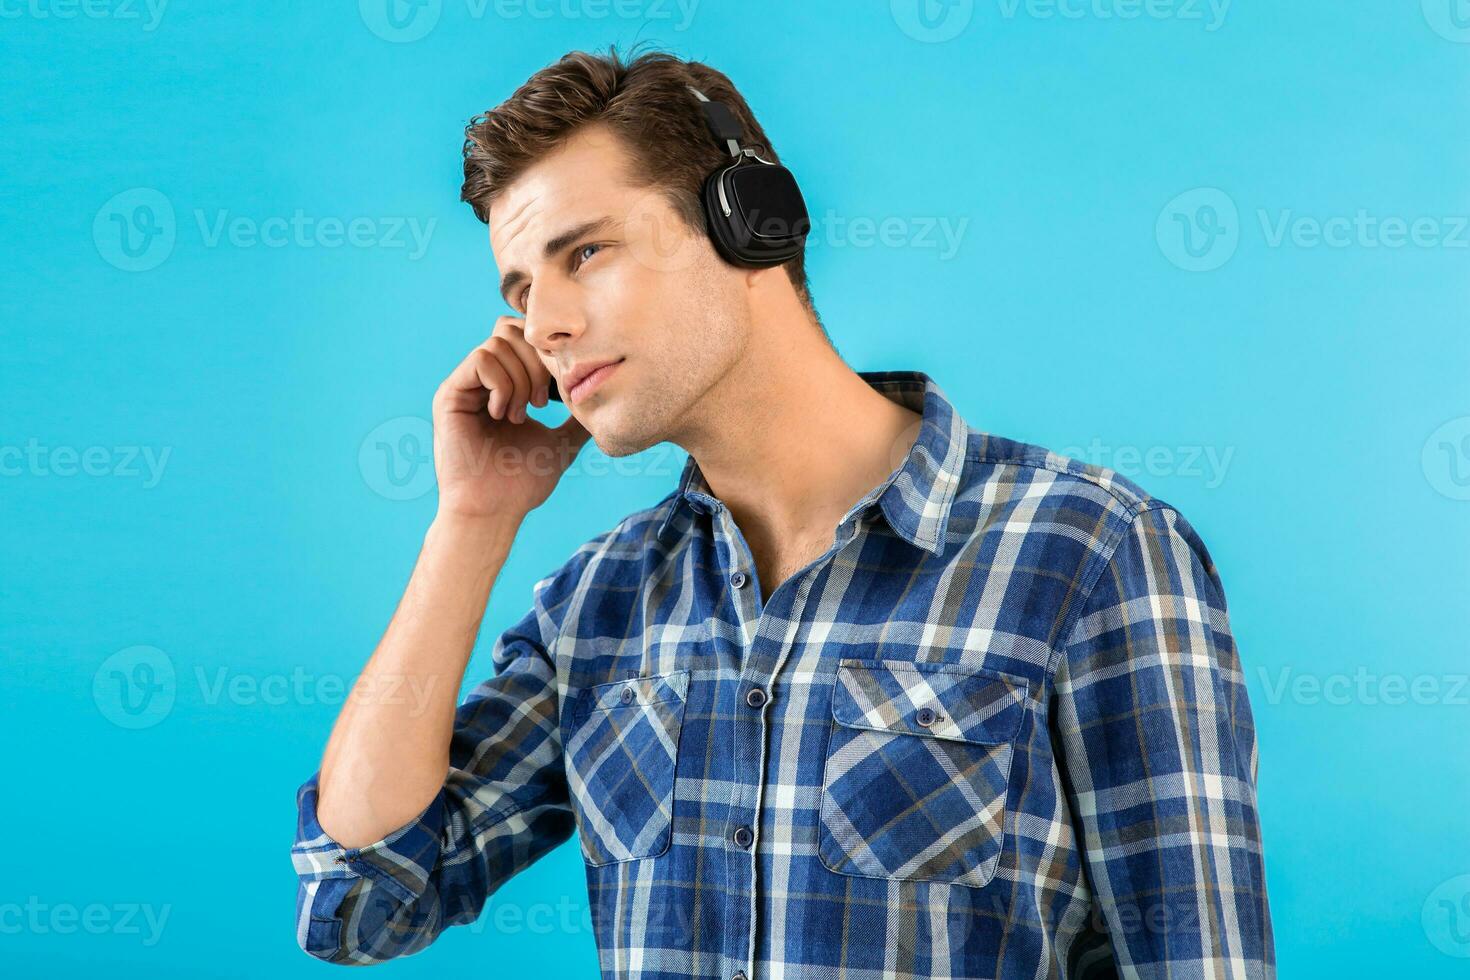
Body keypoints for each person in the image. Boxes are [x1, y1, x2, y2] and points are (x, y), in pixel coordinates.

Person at [289, 46, 1274, 978]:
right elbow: (362, 895)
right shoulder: (599, 605)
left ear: (748, 222)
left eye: (583, 252)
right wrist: (473, 518)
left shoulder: (1093, 556)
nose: (542, 322)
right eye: (519, 286)